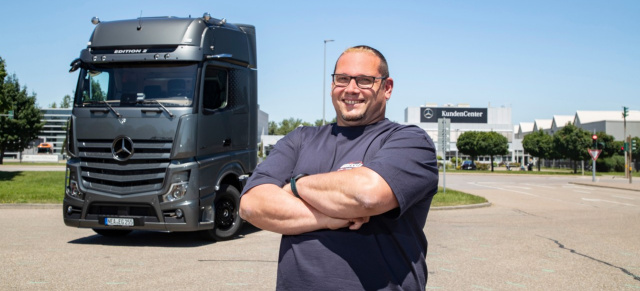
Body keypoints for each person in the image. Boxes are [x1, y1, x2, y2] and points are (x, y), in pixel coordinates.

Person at [239, 45, 439, 290]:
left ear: (386, 88)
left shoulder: (409, 141)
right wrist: (327, 217)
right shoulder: (300, 139)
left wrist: (295, 184)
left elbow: (367, 195)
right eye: (342, 79)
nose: (351, 89)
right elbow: (251, 205)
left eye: (365, 80)